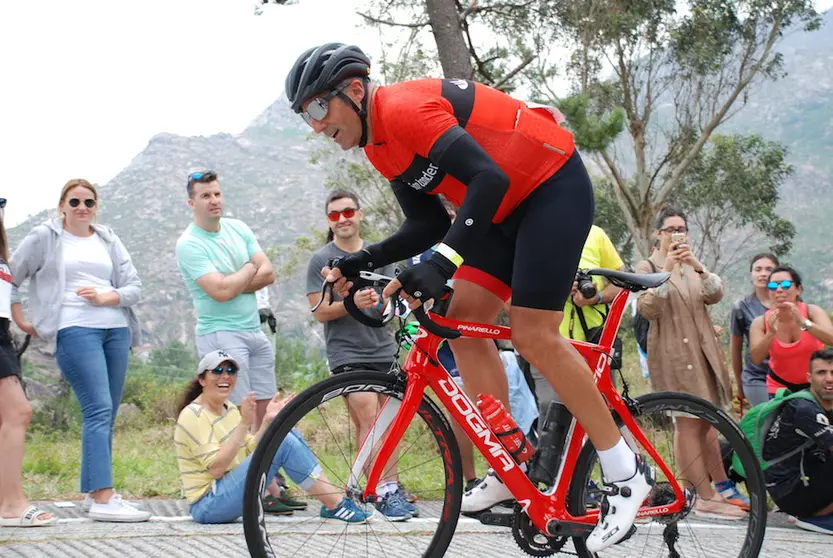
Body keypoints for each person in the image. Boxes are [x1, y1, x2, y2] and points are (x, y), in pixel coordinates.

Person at [286, 43, 652, 551]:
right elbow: (429, 222)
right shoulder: (377, 145)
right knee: (459, 323)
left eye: (318, 108)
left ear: (353, 90)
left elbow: (489, 177)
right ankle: (508, 465)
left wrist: (444, 261)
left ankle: (625, 470)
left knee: (532, 333)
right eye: (306, 116)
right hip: (501, 211)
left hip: (550, 187)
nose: (317, 125)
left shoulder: (403, 108)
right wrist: (362, 258)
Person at [10, 179, 148, 523]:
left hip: (115, 330)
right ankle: (104, 497)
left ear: (96, 206)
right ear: (62, 205)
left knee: (107, 413)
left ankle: (93, 494)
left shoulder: (108, 238)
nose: (82, 208)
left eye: (88, 201)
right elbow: (10, 276)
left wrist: (108, 296)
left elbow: (135, 286)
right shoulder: (45, 237)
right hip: (74, 328)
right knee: (98, 408)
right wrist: (19, 317)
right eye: (74, 202)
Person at [306, 189, 417, 521]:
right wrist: (353, 304)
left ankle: (368, 488)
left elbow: (394, 302)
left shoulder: (379, 254)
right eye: (334, 215)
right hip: (346, 352)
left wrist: (384, 304)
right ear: (329, 221)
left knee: (385, 420)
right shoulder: (320, 260)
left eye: (347, 212)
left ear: (360, 214)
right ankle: (385, 490)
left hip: (383, 348)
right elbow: (320, 311)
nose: (342, 219)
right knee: (369, 417)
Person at [635, 207, 747, 519]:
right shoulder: (648, 265)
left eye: (681, 228)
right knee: (686, 421)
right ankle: (698, 495)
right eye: (669, 229)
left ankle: (713, 490)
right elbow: (647, 308)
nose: (676, 234)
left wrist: (695, 265)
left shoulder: (692, 266)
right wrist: (668, 266)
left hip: (703, 353)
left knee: (706, 421)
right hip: (672, 353)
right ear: (658, 234)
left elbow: (715, 294)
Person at [174, 349, 372, 525]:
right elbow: (216, 468)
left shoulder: (230, 410)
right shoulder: (194, 415)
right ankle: (335, 504)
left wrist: (268, 423)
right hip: (208, 504)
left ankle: (332, 501)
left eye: (230, 371)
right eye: (217, 371)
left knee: (283, 432)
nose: (225, 376)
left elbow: (248, 452)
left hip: (228, 491)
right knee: (282, 442)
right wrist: (244, 424)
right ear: (202, 380)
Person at [175, 171, 277, 431]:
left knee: (268, 411)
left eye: (217, 194)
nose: (213, 200)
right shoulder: (189, 244)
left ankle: (270, 470)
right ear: (192, 203)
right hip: (221, 334)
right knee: (240, 414)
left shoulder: (238, 228)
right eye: (205, 195)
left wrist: (233, 283)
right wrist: (247, 268)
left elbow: (268, 272)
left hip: (254, 331)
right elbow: (220, 292)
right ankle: (245, 471)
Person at [0, 197, 57, 528]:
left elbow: (11, 292)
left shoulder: (3, 253)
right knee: (18, 411)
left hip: (3, 335)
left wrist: (22, 321)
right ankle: (10, 504)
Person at [530, 225, 624, 422]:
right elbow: (508, 295)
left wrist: (596, 297)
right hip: (546, 345)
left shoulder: (595, 234)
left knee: (605, 412)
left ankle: (610, 452)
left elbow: (621, 281)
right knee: (552, 417)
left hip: (594, 344)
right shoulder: (530, 231)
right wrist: (554, 291)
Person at [762, 349, 833, 535]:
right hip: (790, 492)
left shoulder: (826, 403)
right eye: (821, 373)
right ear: (809, 377)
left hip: (805, 480)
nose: (829, 379)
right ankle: (817, 518)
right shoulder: (804, 408)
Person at [749, 266, 833, 397]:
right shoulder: (760, 322)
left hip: (815, 386)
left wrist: (804, 323)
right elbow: (756, 359)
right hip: (779, 386)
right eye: (773, 286)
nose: (779, 290)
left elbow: (831, 339)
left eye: (786, 285)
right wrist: (770, 333)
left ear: (798, 289)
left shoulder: (812, 312)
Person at [730, 253, 779, 407]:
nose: (763, 274)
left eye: (769, 269)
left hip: (787, 374)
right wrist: (739, 384)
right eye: (758, 269)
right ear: (751, 274)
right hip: (757, 377)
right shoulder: (741, 307)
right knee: (767, 421)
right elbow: (735, 348)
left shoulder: (789, 302)